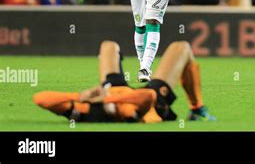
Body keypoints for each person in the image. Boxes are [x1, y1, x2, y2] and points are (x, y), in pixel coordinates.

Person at [33, 40, 216, 123]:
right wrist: (107, 100)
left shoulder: (86, 110)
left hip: (113, 90)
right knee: (182, 47)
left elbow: (40, 99)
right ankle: (197, 109)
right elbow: (147, 96)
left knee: (109, 46)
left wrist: (81, 96)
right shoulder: (131, 113)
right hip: (149, 101)